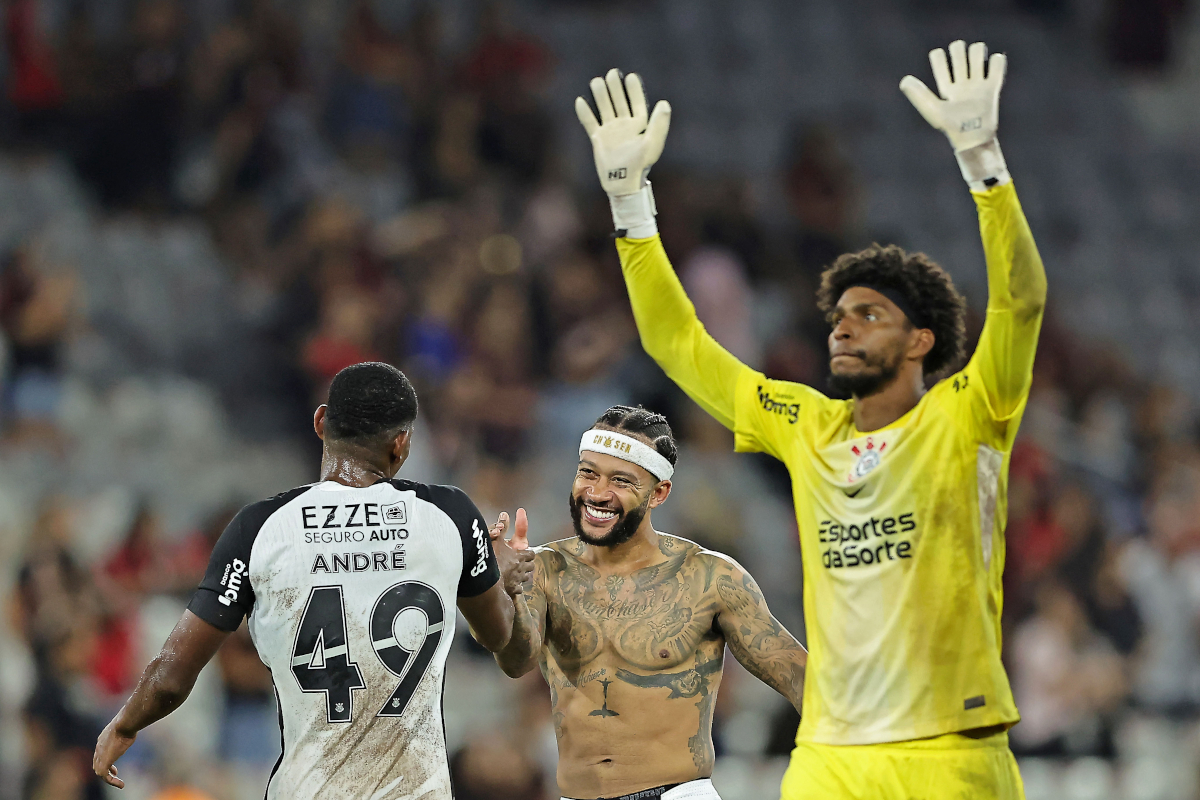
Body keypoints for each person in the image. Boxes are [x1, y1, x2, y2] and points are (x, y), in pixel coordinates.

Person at [575, 40, 1043, 800]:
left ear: (921, 341)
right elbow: (679, 344)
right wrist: (630, 202)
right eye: (837, 315)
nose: (842, 328)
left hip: (952, 751)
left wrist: (983, 161)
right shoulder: (805, 423)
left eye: (869, 314)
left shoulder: (969, 412)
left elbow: (1021, 302)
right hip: (831, 753)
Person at [92, 362, 535, 799]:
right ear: (401, 444)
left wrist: (124, 725)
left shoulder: (258, 527)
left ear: (321, 422)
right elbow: (512, 653)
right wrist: (508, 583)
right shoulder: (451, 516)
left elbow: (171, 677)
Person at [492, 405, 807, 800]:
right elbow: (516, 662)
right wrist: (507, 590)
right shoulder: (544, 569)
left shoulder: (710, 578)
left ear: (659, 493)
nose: (597, 493)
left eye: (620, 480)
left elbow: (801, 679)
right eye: (588, 473)